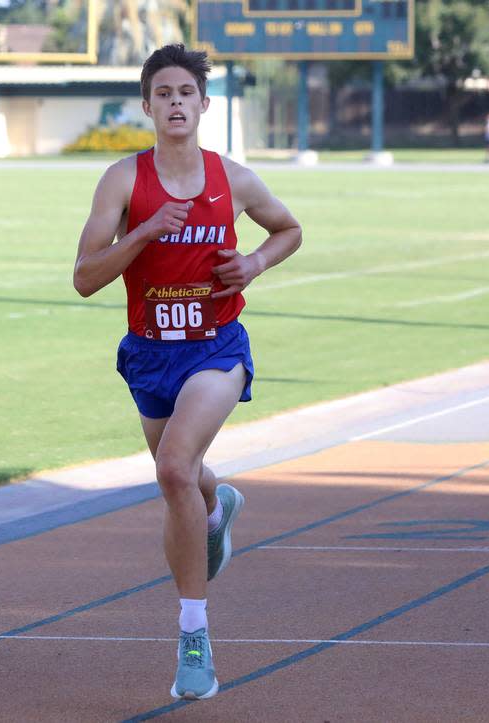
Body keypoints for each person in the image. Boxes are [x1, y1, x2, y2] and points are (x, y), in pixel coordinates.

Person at [72, 44, 302, 701]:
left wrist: (253, 264)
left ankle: (193, 637)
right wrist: (142, 233)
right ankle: (217, 503)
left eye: (186, 93)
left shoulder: (234, 179)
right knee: (186, 475)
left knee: (172, 467)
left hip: (215, 347)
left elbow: (289, 230)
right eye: (163, 93)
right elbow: (85, 278)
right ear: (147, 106)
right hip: (149, 353)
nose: (175, 103)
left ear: (205, 104)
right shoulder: (122, 181)